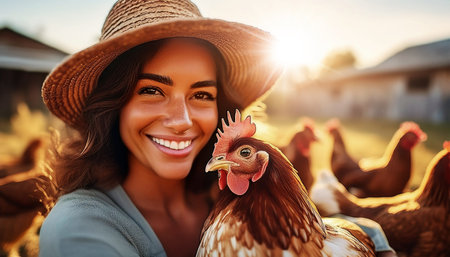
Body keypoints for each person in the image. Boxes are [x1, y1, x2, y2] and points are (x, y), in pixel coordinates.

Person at [38, 1, 280, 257]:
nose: (182, 121)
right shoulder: (78, 229)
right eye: (152, 91)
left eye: (201, 95)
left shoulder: (240, 204)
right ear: (113, 106)